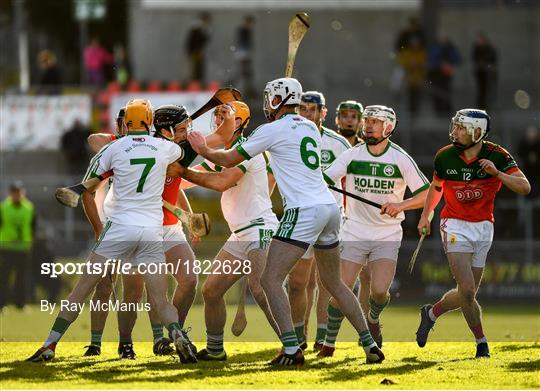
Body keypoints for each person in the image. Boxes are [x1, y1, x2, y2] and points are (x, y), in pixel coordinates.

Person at [187, 77, 385, 366]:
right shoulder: (310, 127)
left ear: (277, 101)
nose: (266, 103)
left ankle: (292, 350)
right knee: (333, 282)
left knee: (269, 279)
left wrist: (202, 148)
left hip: (303, 210)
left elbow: (229, 159)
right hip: (329, 209)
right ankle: (369, 344)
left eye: (270, 98)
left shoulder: (270, 130)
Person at [27, 99, 197, 364]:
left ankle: (50, 344)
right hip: (151, 231)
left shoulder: (113, 149)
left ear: (125, 122)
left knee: (81, 290)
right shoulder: (166, 149)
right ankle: (177, 335)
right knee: (160, 298)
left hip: (118, 230)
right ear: (150, 120)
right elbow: (182, 151)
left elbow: (89, 186)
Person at [81, 105, 235, 359]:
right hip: (141, 227)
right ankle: (126, 344)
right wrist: (124, 143)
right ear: (165, 129)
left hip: (169, 229)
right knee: (133, 291)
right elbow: (94, 140)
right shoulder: (147, 146)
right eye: (183, 129)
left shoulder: (180, 150)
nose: (188, 133)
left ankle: (173, 334)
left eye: (188, 129)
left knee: (189, 280)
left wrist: (188, 218)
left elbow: (179, 184)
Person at [169, 101, 280, 361]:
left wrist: (181, 170)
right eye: (216, 115)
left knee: (261, 288)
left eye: (224, 115)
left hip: (259, 229)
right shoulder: (222, 154)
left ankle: (292, 346)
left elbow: (221, 182)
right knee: (211, 290)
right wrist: (164, 177)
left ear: (239, 122)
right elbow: (185, 180)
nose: (218, 120)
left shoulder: (246, 150)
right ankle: (216, 350)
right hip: (239, 235)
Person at [416, 109, 530, 358]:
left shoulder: (497, 155)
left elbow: (524, 187)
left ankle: (431, 313)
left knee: (467, 294)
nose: (454, 131)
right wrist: (426, 215)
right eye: (454, 126)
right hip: (454, 224)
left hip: (483, 227)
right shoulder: (444, 157)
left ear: (477, 133)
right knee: (467, 290)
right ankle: (482, 343)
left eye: (460, 128)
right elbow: (436, 188)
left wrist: (497, 174)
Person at [318, 105, 429, 356]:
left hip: (387, 234)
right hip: (354, 231)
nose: (367, 125)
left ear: (388, 127)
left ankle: (373, 318)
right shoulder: (352, 154)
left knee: (379, 291)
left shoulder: (400, 158)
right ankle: (329, 342)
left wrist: (400, 205)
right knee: (341, 288)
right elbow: (325, 180)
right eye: (367, 121)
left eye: (375, 122)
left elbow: (426, 194)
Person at [287, 91, 351, 351]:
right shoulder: (288, 135)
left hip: (331, 218)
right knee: (298, 282)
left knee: (327, 281)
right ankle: (298, 334)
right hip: (301, 216)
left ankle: (322, 335)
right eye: (302, 109)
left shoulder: (338, 144)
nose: (308, 114)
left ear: (324, 113)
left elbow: (351, 181)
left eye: (313, 110)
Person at [0, 182, 36, 309]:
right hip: (6, 247)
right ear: (10, 193)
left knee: (21, 277)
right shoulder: (3, 207)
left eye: (19, 192)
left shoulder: (29, 207)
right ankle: (2, 304)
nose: (17, 195)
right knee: (4, 277)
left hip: (23, 248)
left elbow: (32, 227)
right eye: (14, 192)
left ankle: (20, 304)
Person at [428, 35, 461, 116]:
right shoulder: (434, 48)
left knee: (446, 91)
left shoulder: (450, 48)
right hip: (436, 73)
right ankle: (439, 110)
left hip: (446, 73)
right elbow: (431, 60)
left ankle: (446, 110)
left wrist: (448, 64)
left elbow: (457, 59)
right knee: (437, 91)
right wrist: (439, 64)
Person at [472, 33, 497, 110]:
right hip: (480, 71)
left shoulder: (489, 48)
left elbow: (493, 59)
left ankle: (487, 105)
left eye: (481, 40)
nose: (480, 41)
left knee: (487, 89)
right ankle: (481, 105)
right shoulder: (476, 48)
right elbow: (474, 58)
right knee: (481, 89)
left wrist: (485, 63)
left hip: (487, 71)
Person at [185, 13, 211, 83]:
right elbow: (197, 41)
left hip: (197, 51)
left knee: (197, 68)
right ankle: (195, 83)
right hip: (196, 51)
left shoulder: (199, 28)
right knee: (196, 69)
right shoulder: (198, 29)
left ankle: (196, 82)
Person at [234, 16, 255, 97]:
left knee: (246, 73)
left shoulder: (246, 30)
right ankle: (242, 91)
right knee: (243, 73)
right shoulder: (243, 31)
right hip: (243, 55)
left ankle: (246, 90)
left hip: (244, 55)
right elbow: (241, 44)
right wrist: (244, 54)